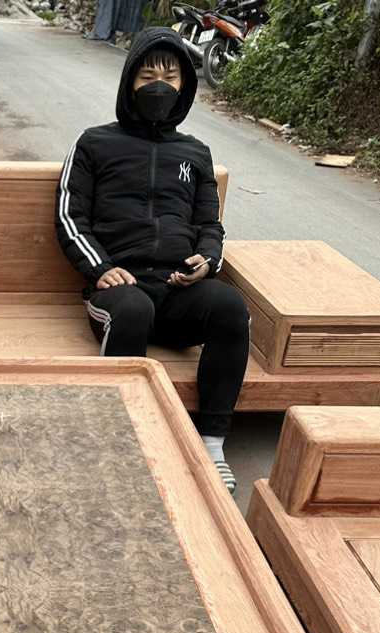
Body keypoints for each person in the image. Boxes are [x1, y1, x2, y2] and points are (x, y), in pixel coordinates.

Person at [55, 28, 249, 493]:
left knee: (229, 307)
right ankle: (124, 439)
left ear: (185, 85)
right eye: (147, 76)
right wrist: (100, 268)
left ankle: (212, 445)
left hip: (178, 290)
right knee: (134, 309)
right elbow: (68, 215)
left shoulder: (195, 153)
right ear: (129, 82)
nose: (159, 86)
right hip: (121, 290)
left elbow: (210, 225)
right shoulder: (93, 144)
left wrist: (207, 262)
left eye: (170, 77)